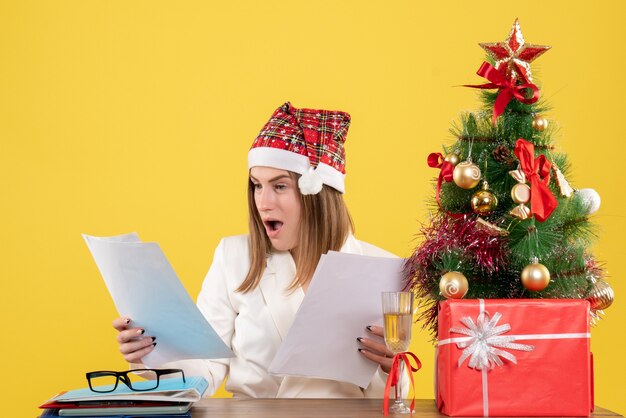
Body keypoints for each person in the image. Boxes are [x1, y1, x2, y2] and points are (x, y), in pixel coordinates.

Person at [112, 102, 404, 398]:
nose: (262, 202)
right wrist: (153, 353)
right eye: (256, 185)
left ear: (317, 193)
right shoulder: (233, 257)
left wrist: (390, 366)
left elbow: (394, 398)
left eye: (279, 187)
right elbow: (207, 369)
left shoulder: (381, 269)